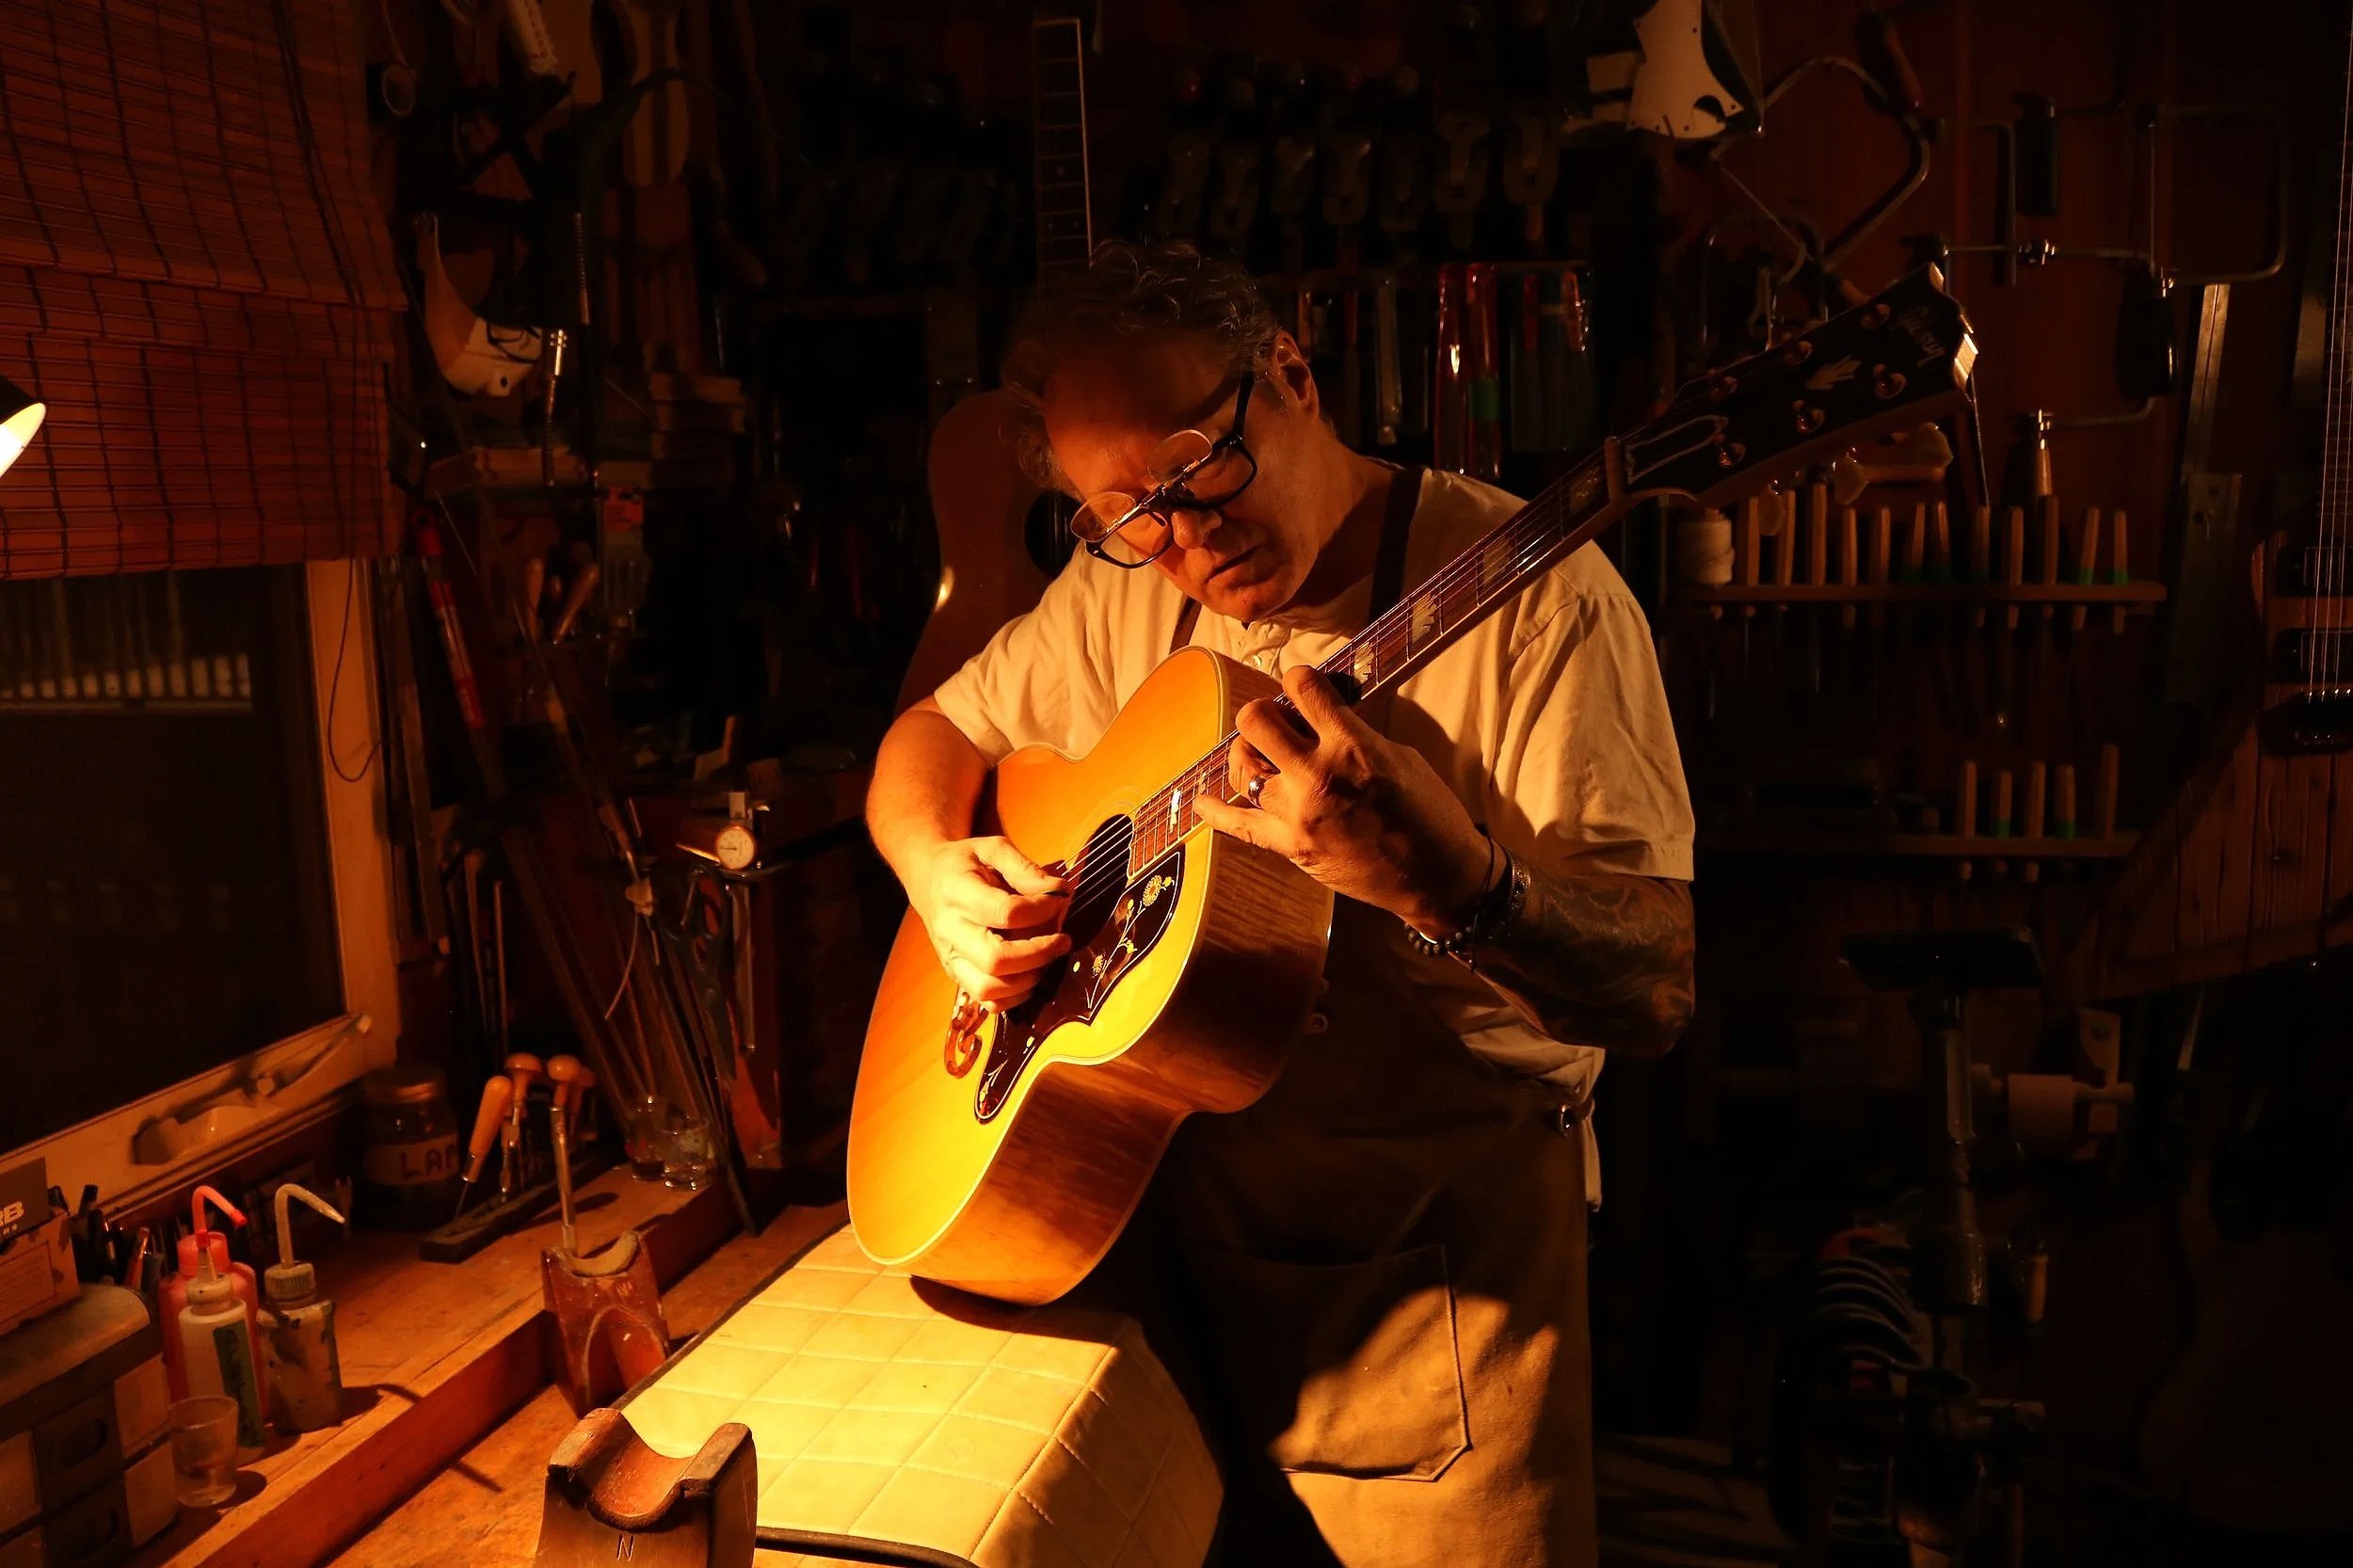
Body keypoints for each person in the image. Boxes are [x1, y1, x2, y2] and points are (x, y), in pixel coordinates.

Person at [865, 241, 1695, 1567]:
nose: (1182, 538)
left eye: (1201, 468)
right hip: (1170, 1260)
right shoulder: (1119, 590)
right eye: (1126, 515)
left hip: (1439, 1296)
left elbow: (1656, 987)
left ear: (1292, 376)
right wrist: (932, 869)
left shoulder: (1541, 602)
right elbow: (928, 739)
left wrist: (1447, 881)